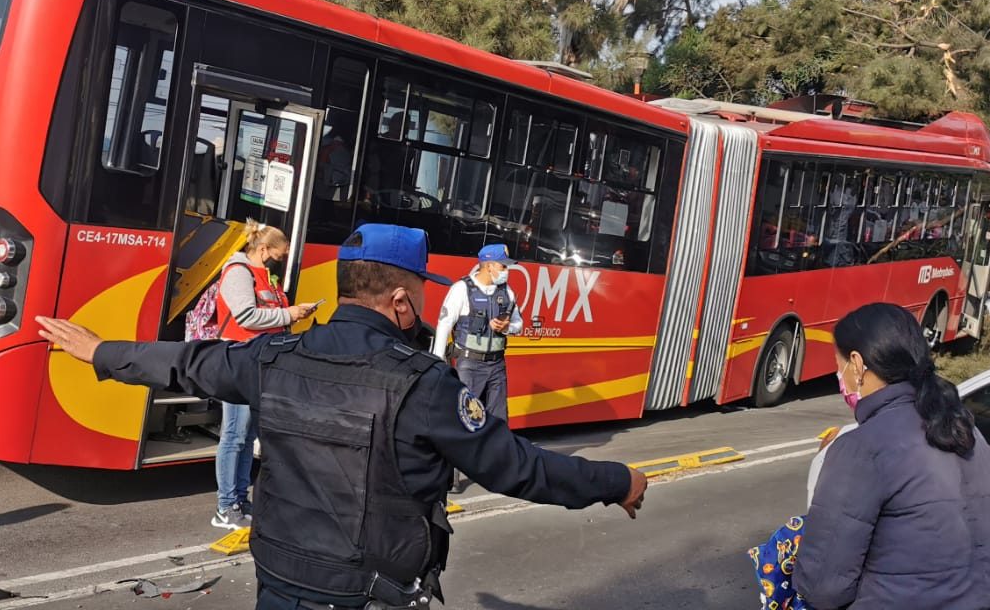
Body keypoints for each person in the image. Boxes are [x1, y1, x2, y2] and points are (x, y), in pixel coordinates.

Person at [37, 223, 647, 610]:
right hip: (365, 594)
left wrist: (102, 351)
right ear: (400, 299)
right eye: (424, 290)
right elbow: (516, 468)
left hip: (278, 581)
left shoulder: (274, 356)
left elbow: (189, 363)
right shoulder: (424, 383)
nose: (432, 301)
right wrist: (616, 481)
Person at [795, 303, 990, 610]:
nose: (840, 376)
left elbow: (823, 587)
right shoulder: (970, 434)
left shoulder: (861, 447)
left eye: (839, 365)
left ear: (857, 365)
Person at [210, 220, 317, 531]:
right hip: (239, 361)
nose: (280, 261)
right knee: (234, 435)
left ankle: (239, 500)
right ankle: (226, 506)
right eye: (279, 255)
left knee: (245, 437)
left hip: (256, 362)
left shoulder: (263, 275)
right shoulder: (238, 272)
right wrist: (289, 314)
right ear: (263, 249)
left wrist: (294, 312)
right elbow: (246, 315)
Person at [432, 243, 522, 422]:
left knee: (498, 421)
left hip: (497, 365)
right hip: (470, 365)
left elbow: (518, 325)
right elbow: (444, 325)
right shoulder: (462, 289)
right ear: (489, 266)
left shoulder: (506, 291)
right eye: (503, 266)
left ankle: (495, 451)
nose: (507, 271)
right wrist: (437, 362)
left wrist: (506, 328)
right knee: (466, 420)